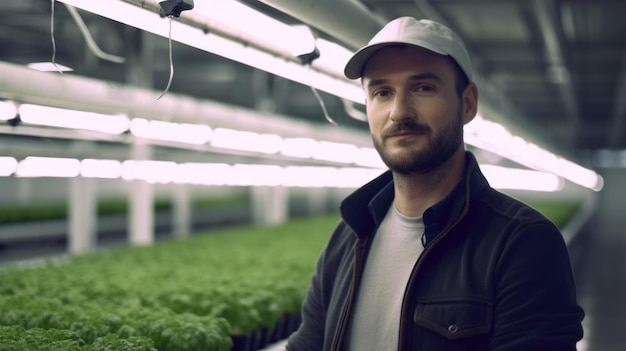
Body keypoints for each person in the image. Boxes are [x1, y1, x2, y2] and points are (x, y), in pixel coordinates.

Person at [286, 16, 584, 351]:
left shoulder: (522, 242)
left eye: (423, 88)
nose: (399, 112)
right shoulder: (348, 237)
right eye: (382, 92)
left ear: (467, 103)